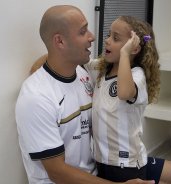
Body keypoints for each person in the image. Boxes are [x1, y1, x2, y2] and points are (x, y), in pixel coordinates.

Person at [30, 14, 171, 184]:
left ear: (133, 49)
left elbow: (124, 92)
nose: (107, 40)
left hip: (126, 164)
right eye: (108, 35)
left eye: (115, 38)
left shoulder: (137, 75)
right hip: (102, 161)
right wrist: (43, 70)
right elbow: (67, 58)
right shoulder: (102, 69)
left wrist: (125, 54)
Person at [16, 5, 155, 184]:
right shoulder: (36, 97)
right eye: (83, 32)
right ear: (59, 42)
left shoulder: (85, 76)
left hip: (97, 173)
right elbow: (57, 173)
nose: (93, 37)